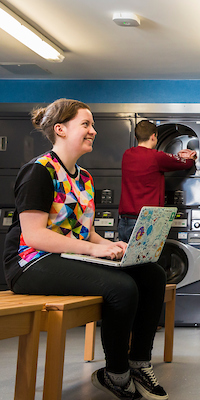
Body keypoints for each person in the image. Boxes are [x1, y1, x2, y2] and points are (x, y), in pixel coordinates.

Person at [3, 99, 168, 400]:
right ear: (60, 129)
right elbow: (35, 235)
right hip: (31, 262)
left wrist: (114, 245)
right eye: (86, 124)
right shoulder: (39, 171)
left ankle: (138, 363)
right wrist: (93, 251)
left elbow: (86, 232)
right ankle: (116, 375)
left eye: (93, 125)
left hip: (67, 256)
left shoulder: (85, 178)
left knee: (152, 275)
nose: (94, 130)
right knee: (122, 287)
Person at [118, 120, 196, 242]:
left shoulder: (127, 154)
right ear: (154, 136)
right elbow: (186, 164)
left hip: (124, 221)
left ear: (135, 137)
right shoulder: (157, 157)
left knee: (125, 259)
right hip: (145, 221)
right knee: (145, 260)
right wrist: (190, 157)